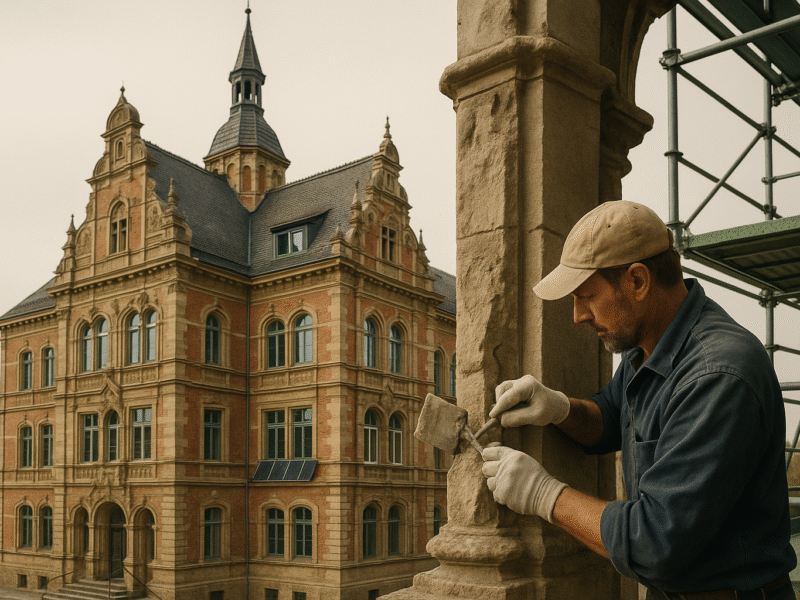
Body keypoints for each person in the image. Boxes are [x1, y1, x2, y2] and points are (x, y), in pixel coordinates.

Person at [481, 200, 796, 600]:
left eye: (586, 296)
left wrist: (543, 494)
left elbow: (655, 542)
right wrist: (559, 409)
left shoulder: (717, 374)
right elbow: (612, 417)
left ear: (638, 281)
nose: (577, 315)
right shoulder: (647, 346)